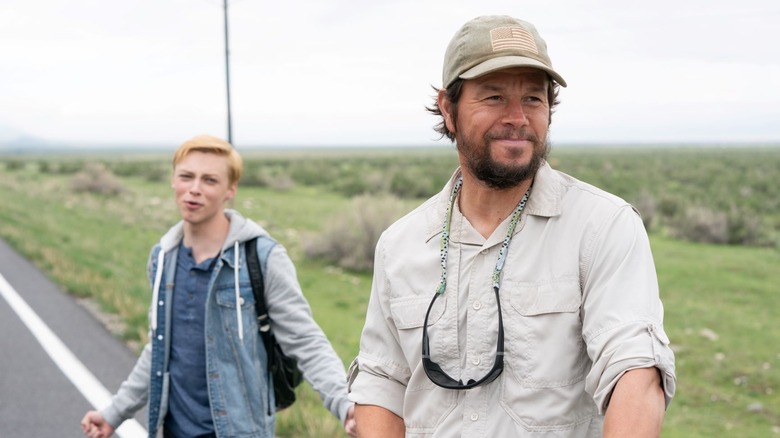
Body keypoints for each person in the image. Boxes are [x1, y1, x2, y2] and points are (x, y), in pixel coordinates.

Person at [348, 15, 676, 437]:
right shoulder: (401, 243)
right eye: (495, 97)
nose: (518, 117)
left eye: (534, 99)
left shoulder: (602, 226)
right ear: (449, 109)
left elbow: (634, 368)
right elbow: (382, 381)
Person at [81, 135, 357, 438]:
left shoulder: (262, 258)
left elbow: (306, 340)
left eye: (210, 180)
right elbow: (159, 349)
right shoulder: (163, 258)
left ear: (230, 190)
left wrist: (345, 404)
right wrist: (114, 413)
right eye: (186, 176)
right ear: (174, 181)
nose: (194, 189)